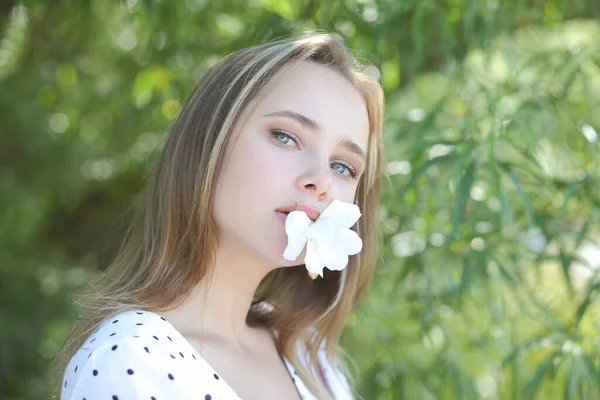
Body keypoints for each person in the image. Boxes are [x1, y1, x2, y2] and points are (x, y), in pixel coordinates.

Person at [53, 31, 385, 400]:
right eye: (286, 137)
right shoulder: (132, 359)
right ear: (208, 142)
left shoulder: (310, 358)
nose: (321, 181)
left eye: (343, 167)